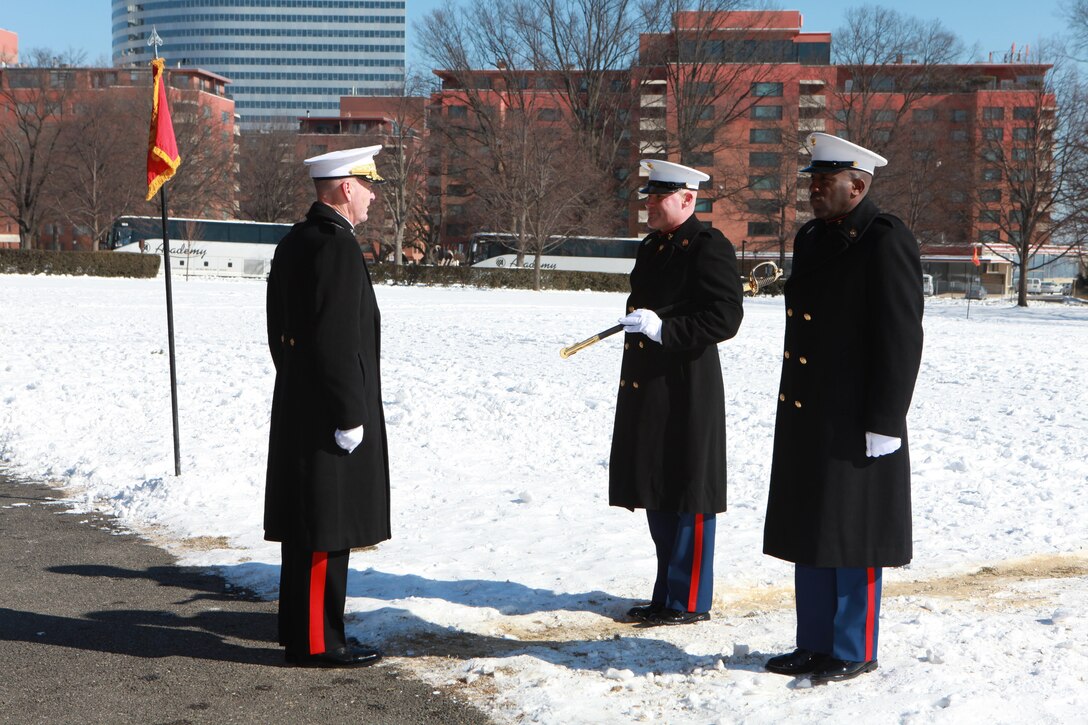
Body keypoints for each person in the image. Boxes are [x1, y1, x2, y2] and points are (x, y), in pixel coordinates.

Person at [762, 133, 924, 684]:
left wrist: (886, 419)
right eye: (811, 180)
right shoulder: (812, 237)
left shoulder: (884, 239)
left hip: (859, 416)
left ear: (858, 185)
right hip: (811, 409)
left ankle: (853, 646)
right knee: (813, 527)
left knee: (853, 533)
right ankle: (813, 642)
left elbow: (901, 336)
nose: (813, 190)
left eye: (823, 182)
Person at [264, 145, 391, 668]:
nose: (372, 196)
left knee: (305, 529)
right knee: (323, 528)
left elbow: (281, 333)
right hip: (328, 414)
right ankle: (318, 641)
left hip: (300, 402)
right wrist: (349, 413)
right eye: (367, 185)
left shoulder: (297, 241)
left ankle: (303, 632)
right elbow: (337, 340)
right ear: (345, 187)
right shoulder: (337, 247)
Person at [611, 159, 744, 626]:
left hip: (688, 386)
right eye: (647, 196)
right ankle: (666, 593)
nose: (649, 204)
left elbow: (725, 317)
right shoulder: (654, 246)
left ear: (688, 199)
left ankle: (688, 599)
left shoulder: (708, 246)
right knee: (658, 488)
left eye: (658, 196)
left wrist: (666, 329)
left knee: (687, 493)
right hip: (652, 385)